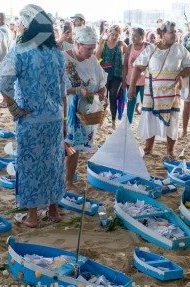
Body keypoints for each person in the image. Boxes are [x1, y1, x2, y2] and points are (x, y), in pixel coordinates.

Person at [0, 4, 67, 226]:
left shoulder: (19, 51)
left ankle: (33, 216)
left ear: (27, 25)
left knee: (30, 165)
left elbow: (2, 84)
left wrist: (15, 110)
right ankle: (54, 212)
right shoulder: (57, 53)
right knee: (54, 163)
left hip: (31, 119)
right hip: (55, 118)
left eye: (20, 22)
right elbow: (63, 91)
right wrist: (64, 119)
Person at [128, 21, 190, 160]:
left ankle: (170, 150)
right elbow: (138, 67)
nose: (175, 35)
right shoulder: (151, 49)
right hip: (152, 91)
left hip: (171, 91)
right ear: (163, 34)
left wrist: (181, 75)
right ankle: (148, 147)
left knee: (172, 118)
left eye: (175, 32)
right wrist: (132, 86)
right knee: (150, 117)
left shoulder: (180, 49)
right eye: (171, 32)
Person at [64, 26, 107, 192]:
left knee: (76, 147)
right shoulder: (63, 59)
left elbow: (101, 80)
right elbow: (55, 88)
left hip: (85, 110)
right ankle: (64, 179)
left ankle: (68, 181)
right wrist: (77, 91)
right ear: (76, 44)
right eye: (88, 49)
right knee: (66, 144)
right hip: (67, 108)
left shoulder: (92, 60)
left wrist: (102, 93)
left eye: (93, 49)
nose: (91, 53)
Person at [97, 24, 128, 129]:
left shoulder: (121, 44)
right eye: (112, 34)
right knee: (103, 97)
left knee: (113, 96)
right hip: (104, 74)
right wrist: (100, 45)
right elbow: (97, 58)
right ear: (109, 33)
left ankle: (113, 121)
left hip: (117, 74)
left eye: (116, 35)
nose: (114, 37)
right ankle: (101, 121)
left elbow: (131, 55)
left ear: (119, 35)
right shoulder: (104, 43)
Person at [123, 27, 148, 123]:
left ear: (142, 36)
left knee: (145, 104)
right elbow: (125, 65)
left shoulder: (147, 47)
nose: (133, 38)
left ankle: (146, 125)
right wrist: (123, 80)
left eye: (136, 36)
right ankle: (128, 125)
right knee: (130, 104)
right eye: (132, 35)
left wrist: (139, 62)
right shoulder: (129, 47)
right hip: (131, 80)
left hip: (144, 81)